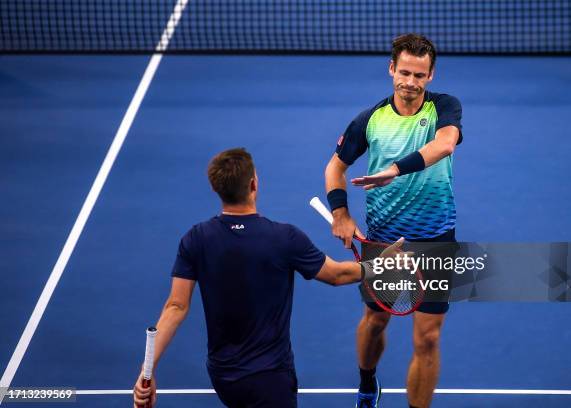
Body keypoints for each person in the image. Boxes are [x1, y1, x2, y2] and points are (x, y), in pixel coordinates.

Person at [132, 148, 402, 408]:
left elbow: (175, 307)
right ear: (253, 184)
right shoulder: (284, 238)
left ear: (216, 188)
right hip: (270, 377)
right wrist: (379, 265)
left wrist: (148, 370)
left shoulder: (195, 239)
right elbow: (338, 275)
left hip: (224, 377)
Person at [324, 33, 463, 408]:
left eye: (419, 75)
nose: (410, 83)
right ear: (391, 69)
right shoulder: (370, 120)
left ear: (431, 75)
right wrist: (340, 213)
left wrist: (394, 171)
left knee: (428, 338)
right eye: (404, 73)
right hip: (383, 243)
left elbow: (445, 144)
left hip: (435, 238)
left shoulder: (444, 108)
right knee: (375, 322)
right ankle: (367, 382)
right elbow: (335, 168)